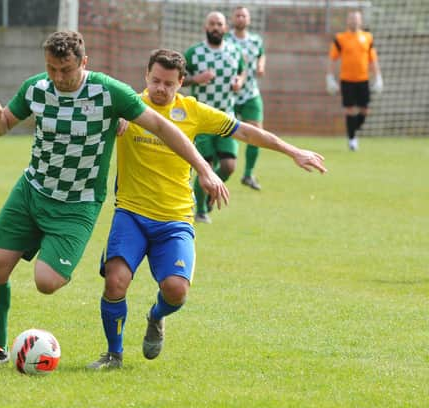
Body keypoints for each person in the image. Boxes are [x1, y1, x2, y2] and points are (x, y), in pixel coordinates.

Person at [0, 31, 228, 364]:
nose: (58, 78)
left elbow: (164, 128)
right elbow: (3, 124)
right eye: (51, 68)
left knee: (46, 282)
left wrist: (204, 170)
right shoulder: (35, 87)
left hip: (77, 203)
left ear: (84, 62)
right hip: (31, 191)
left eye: (66, 69)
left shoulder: (109, 92)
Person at [87, 49, 327, 370]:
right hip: (130, 212)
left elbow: (244, 130)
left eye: (169, 84)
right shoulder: (129, 106)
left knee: (176, 292)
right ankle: (113, 354)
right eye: (155, 80)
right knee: (115, 281)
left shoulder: (192, 111)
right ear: (146, 76)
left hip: (174, 219)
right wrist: (112, 122)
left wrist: (291, 150)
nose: (161, 88)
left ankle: (156, 317)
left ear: (181, 82)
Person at [183, 11, 246, 224]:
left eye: (219, 24)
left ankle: (210, 192)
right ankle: (200, 210)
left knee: (228, 166)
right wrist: (196, 79)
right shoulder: (194, 53)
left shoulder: (235, 52)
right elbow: (178, 80)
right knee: (206, 167)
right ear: (205, 27)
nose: (216, 27)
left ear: (225, 28)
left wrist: (239, 81)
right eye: (212, 23)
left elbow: (242, 72)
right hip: (201, 120)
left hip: (226, 118)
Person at [326, 10, 383, 151]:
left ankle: (353, 130)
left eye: (356, 19)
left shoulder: (368, 37)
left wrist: (378, 77)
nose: (354, 21)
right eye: (351, 19)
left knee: (365, 110)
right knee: (350, 110)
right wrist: (329, 77)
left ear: (361, 21)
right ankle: (352, 140)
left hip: (363, 79)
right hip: (347, 80)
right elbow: (332, 58)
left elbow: (373, 59)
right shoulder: (340, 38)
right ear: (347, 21)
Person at [229, 6, 266, 191]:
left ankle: (248, 174)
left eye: (244, 15)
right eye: (238, 15)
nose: (241, 18)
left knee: (257, 133)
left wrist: (260, 66)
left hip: (251, 92)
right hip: (229, 95)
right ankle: (221, 165)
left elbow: (261, 55)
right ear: (232, 19)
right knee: (226, 131)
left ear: (249, 19)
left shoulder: (255, 40)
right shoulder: (226, 39)